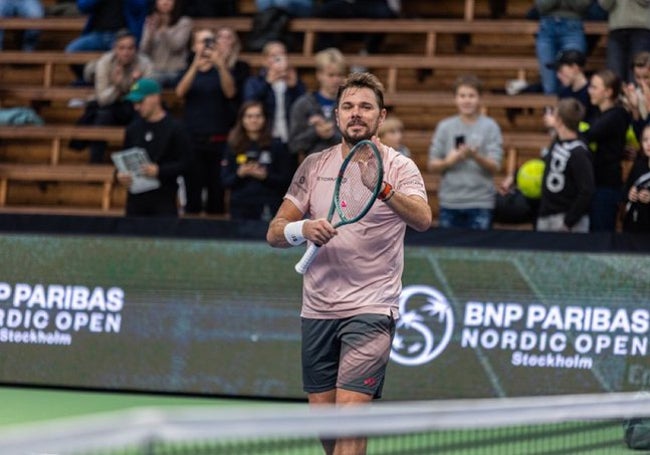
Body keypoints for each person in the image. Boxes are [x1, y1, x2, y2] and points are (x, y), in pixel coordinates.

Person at [266, 72, 431, 455]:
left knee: (350, 424)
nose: (356, 114)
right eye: (348, 107)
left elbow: (423, 219)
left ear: (381, 116)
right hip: (318, 310)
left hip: (372, 309)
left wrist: (383, 188)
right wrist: (302, 228)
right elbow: (275, 232)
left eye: (365, 107)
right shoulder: (312, 165)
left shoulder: (400, 167)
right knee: (329, 432)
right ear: (338, 115)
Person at [175, 27, 250, 215]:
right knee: (193, 192)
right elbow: (179, 93)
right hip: (193, 140)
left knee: (216, 192)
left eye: (210, 41)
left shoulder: (222, 69)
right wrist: (195, 64)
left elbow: (230, 92)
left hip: (219, 139)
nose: (206, 46)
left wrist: (220, 65)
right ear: (194, 46)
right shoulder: (189, 68)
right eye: (202, 41)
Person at [428, 74, 503, 230]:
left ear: (479, 98)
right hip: (450, 201)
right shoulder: (445, 127)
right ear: (455, 99)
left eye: (471, 96)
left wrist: (475, 157)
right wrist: (450, 161)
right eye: (462, 96)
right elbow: (432, 165)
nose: (467, 100)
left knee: (481, 253)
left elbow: (496, 167)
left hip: (481, 202)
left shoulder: (490, 127)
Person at [116, 78, 191, 217]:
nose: (137, 107)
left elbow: (187, 164)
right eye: (135, 103)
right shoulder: (133, 129)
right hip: (136, 198)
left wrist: (160, 170)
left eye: (140, 102)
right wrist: (120, 176)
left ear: (155, 98)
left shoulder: (176, 128)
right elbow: (123, 160)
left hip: (164, 198)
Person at [84, 29, 153, 163]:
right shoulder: (104, 63)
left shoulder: (145, 64)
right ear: (115, 49)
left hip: (135, 106)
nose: (126, 52)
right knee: (102, 116)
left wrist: (137, 86)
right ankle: (95, 164)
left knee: (141, 120)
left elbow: (149, 98)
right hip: (112, 105)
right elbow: (102, 99)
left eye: (130, 48)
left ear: (136, 49)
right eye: (122, 48)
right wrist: (116, 85)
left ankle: (136, 165)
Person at [221, 101, 291, 220]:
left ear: (265, 119)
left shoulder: (276, 145)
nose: (254, 120)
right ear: (242, 119)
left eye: (258, 116)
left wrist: (265, 176)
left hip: (268, 203)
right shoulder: (233, 146)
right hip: (239, 203)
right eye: (249, 116)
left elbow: (286, 180)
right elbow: (224, 180)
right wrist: (240, 174)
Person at [582, 68, 631, 231]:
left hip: (606, 185)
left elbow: (589, 135)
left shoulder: (617, 115)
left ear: (608, 92)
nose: (590, 91)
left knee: (601, 233)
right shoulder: (598, 114)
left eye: (594, 87)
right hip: (594, 183)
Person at [537, 98, 596, 232]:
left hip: (566, 218)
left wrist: (568, 222)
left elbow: (587, 190)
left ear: (559, 120)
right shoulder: (558, 142)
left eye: (554, 114)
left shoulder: (579, 151)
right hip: (547, 214)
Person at [65, 0, 150, 85]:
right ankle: (87, 79)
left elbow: (140, 6)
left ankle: (118, 84)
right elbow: (82, 6)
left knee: (124, 55)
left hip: (122, 36)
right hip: (97, 35)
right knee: (71, 50)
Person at [244, 40, 306, 156]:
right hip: (264, 138)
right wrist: (267, 83)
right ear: (264, 60)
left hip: (289, 139)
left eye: (281, 55)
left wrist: (295, 87)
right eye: (273, 55)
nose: (278, 58)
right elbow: (250, 104)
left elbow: (303, 108)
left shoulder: (294, 82)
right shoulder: (255, 82)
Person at [288, 47, 345, 161]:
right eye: (331, 75)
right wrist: (315, 132)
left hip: (343, 168)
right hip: (312, 169)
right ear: (319, 75)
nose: (336, 80)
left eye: (339, 75)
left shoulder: (349, 105)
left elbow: (357, 144)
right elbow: (294, 145)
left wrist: (331, 135)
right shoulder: (303, 104)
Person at [535, 0, 590, 95]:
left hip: (573, 27)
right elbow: (542, 6)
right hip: (546, 27)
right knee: (549, 84)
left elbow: (582, 6)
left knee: (572, 80)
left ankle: (569, 109)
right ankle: (552, 110)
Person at [139, 0, 193, 88]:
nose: (165, 2)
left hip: (176, 71)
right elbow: (144, 51)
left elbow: (176, 46)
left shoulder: (184, 22)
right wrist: (150, 35)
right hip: (155, 70)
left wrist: (164, 29)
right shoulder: (151, 20)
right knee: (144, 83)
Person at [598, 0, 650, 84]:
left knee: (638, 76)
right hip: (616, 30)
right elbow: (605, 5)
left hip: (641, 30)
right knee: (613, 78)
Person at [546, 49, 598, 121]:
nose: (558, 76)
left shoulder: (592, 92)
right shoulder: (563, 92)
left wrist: (577, 128)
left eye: (561, 70)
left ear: (574, 68)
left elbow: (593, 124)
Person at [622, 123, 650, 233]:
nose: (648, 144)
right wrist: (630, 193)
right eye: (645, 140)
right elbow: (625, 191)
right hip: (634, 225)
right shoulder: (638, 165)